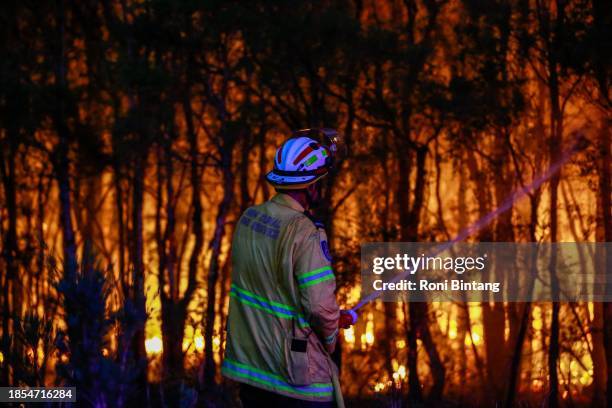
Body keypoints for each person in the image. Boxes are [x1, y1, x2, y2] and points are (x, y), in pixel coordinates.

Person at [222, 129, 357, 408]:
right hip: (297, 381)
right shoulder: (305, 232)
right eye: (319, 181)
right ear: (311, 186)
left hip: (251, 372)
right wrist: (331, 334)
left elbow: (270, 294)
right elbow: (319, 306)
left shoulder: (248, 220)